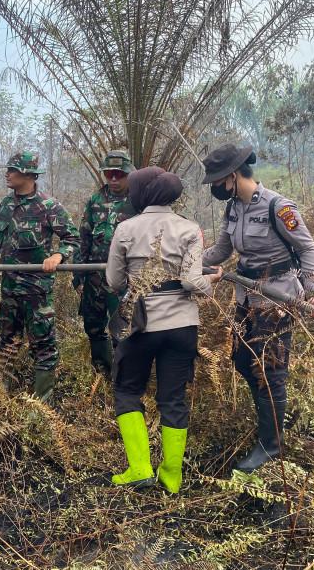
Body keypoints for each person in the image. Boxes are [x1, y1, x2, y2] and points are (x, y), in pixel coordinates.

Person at [201, 143, 314, 472]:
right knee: (241, 360)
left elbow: (308, 250)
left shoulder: (279, 207)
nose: (216, 189)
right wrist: (190, 261)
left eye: (217, 182)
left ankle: (271, 446)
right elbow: (222, 248)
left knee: (270, 372)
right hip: (245, 298)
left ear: (232, 177)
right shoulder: (233, 208)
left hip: (277, 300)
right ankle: (268, 416)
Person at [106, 166, 222, 491]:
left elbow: (114, 281)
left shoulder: (126, 228)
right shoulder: (189, 229)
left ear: (141, 194)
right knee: (173, 399)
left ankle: (140, 468)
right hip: (183, 325)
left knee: (128, 391)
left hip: (141, 325)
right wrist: (211, 279)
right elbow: (191, 281)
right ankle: (171, 479)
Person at [0, 152, 80, 402]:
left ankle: (42, 406)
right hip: (9, 289)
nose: (7, 174)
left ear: (27, 175)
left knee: (43, 345)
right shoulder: (4, 205)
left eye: (12, 170)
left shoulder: (49, 206)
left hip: (37, 291)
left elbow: (73, 239)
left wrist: (59, 256)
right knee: (7, 340)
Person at [73, 149, 136, 377]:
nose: (113, 179)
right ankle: (102, 373)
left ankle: (126, 377)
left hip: (126, 278)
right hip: (94, 276)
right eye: (109, 174)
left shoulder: (138, 201)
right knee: (93, 326)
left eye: (119, 174)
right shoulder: (95, 201)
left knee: (123, 329)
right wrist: (78, 276)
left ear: (128, 174)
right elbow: (83, 239)